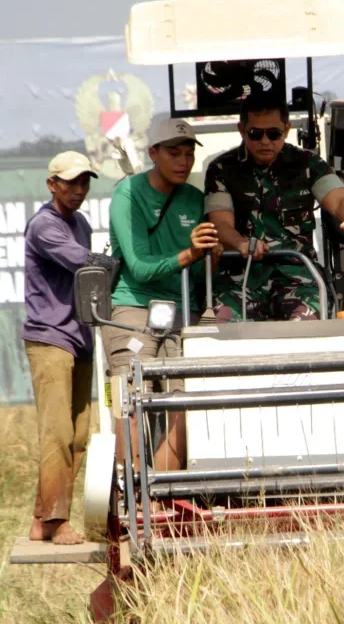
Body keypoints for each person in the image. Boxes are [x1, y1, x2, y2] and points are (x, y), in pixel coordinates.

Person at [104, 118, 222, 471]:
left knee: (181, 404)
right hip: (133, 305)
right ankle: (133, 503)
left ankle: (165, 499)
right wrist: (189, 254)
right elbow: (138, 266)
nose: (183, 161)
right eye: (174, 153)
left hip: (182, 308)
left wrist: (211, 259)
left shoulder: (195, 199)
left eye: (188, 153)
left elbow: (200, 277)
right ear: (152, 153)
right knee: (131, 401)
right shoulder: (128, 193)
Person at [203, 91, 344, 322]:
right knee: (222, 323)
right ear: (241, 130)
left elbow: (341, 200)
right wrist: (240, 243)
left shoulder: (308, 164)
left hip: (298, 275)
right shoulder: (221, 169)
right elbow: (220, 223)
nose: (265, 141)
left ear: (286, 129)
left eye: (274, 134)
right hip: (240, 277)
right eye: (255, 133)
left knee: (311, 322)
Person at [21, 150, 100, 545]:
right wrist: (121, 265)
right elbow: (84, 263)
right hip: (50, 338)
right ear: (52, 184)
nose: (79, 189)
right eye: (70, 182)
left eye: (84, 182)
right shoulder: (44, 226)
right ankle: (56, 522)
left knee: (78, 435)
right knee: (56, 433)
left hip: (80, 336)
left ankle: (41, 518)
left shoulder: (81, 222)